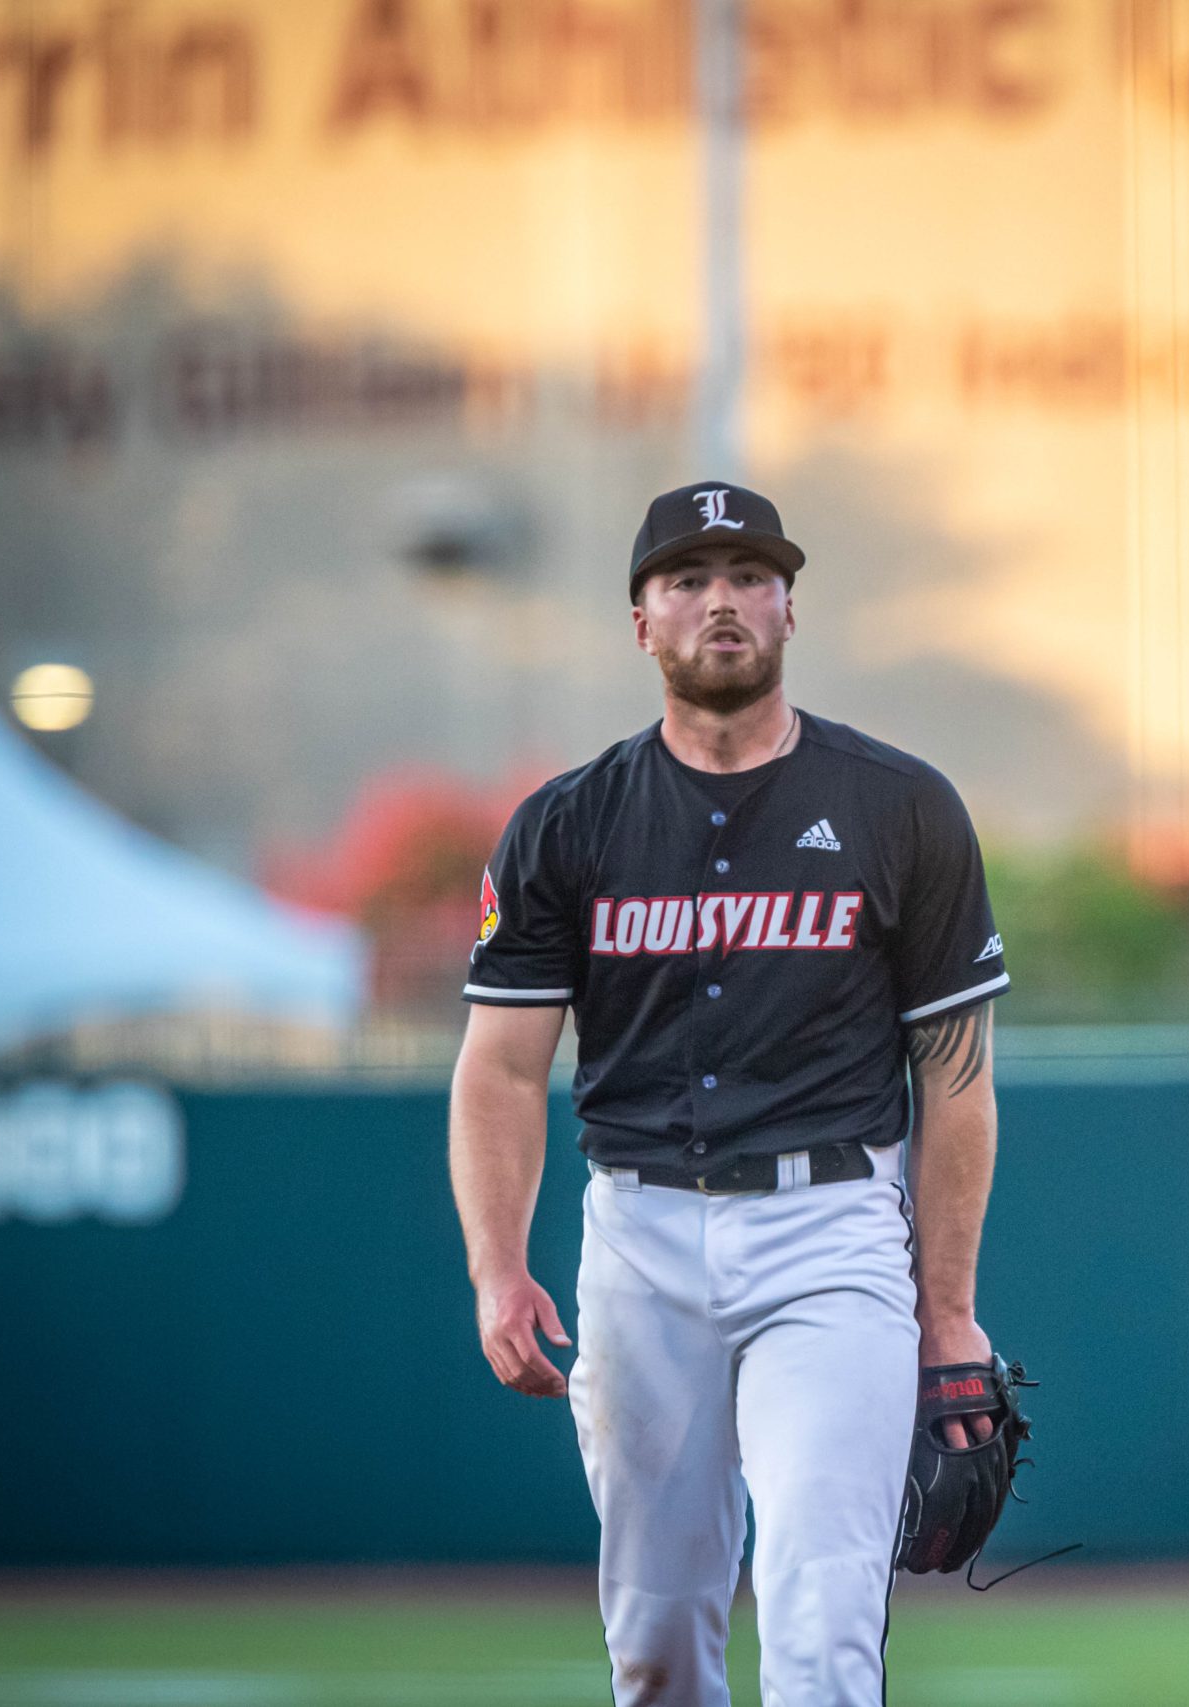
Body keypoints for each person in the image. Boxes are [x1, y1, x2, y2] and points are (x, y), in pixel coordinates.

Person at [446, 481, 1012, 1707]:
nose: (722, 601)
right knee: (653, 1647)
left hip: (831, 1235)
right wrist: (498, 1264)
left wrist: (947, 1311)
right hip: (639, 1238)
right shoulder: (565, 823)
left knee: (819, 1625)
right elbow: (499, 1064)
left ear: (790, 611)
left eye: (750, 576)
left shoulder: (898, 806)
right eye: (688, 579)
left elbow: (955, 1079)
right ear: (639, 622)